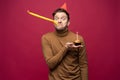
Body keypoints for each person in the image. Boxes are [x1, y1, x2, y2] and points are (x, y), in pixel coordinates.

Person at [41, 8, 88, 80]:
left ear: (68, 22)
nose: (59, 21)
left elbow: (83, 65)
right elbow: (51, 64)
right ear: (53, 21)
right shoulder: (46, 38)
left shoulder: (78, 39)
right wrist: (66, 48)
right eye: (56, 18)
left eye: (63, 18)